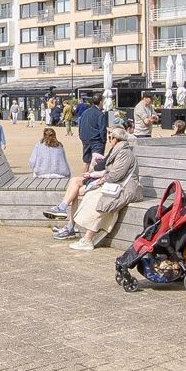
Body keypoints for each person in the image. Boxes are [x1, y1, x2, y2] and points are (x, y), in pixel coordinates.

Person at [65, 115, 143, 251]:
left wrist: (101, 179)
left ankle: (88, 239)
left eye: (110, 137)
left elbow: (116, 174)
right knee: (89, 195)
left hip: (125, 188)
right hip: (117, 185)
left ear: (116, 139)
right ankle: (77, 229)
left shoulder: (124, 153)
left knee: (100, 202)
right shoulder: (119, 151)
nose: (109, 140)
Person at [75, 92, 107, 169]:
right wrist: (103, 140)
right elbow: (102, 130)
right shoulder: (100, 114)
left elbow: (80, 126)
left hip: (85, 140)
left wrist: (82, 137)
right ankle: (91, 180)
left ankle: (83, 179)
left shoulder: (85, 112)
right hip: (96, 141)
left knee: (86, 162)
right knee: (97, 163)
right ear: (101, 102)